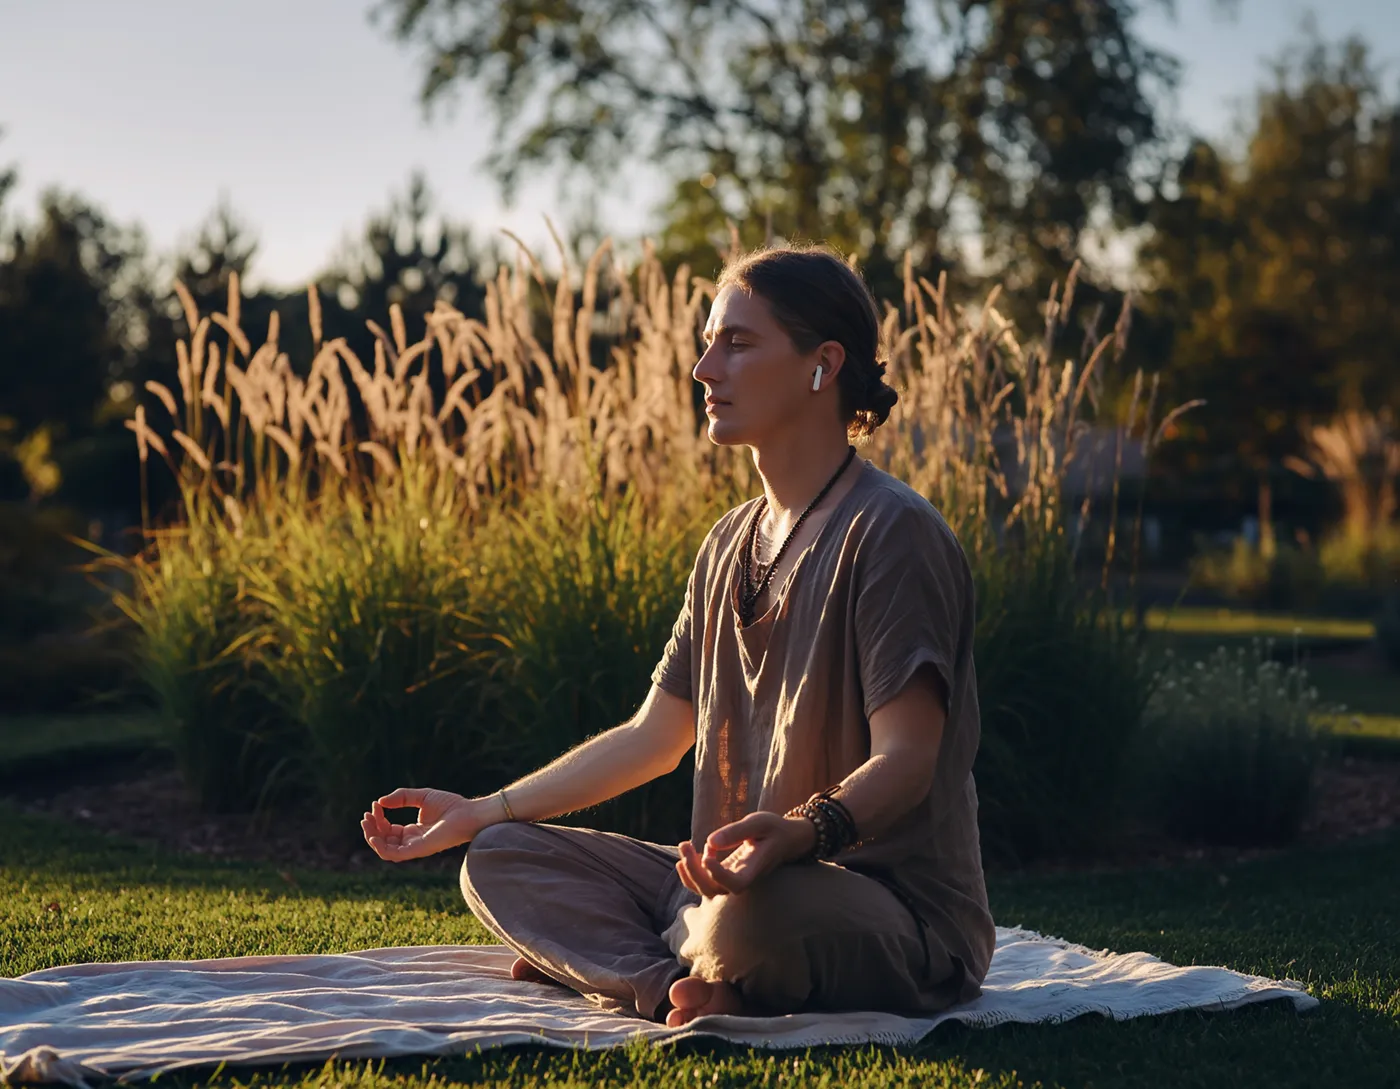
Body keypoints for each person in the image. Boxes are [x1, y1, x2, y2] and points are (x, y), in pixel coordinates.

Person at [361, 243, 996, 1028]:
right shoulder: (729, 542)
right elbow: (654, 735)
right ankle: (675, 983)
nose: (703, 368)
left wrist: (800, 833)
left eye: (736, 342)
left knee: (752, 918)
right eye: (706, 342)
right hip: (715, 873)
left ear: (822, 365)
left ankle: (641, 959)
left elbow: (908, 759)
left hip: (873, 898)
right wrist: (484, 808)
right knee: (498, 858)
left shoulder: (892, 532)